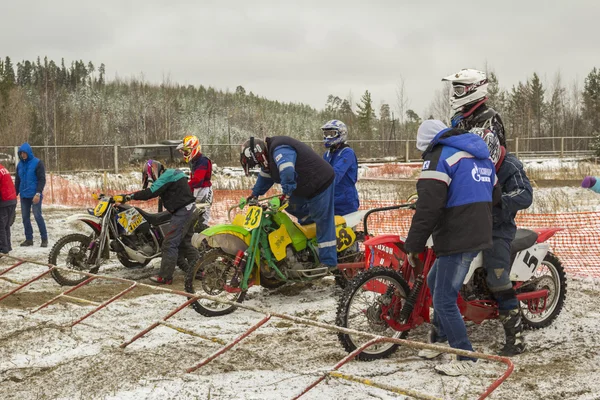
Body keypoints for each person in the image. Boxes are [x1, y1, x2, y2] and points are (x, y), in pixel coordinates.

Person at [404, 120, 496, 376]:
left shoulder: (439, 156)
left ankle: (466, 356)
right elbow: (495, 194)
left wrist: (414, 245)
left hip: (458, 235)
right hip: (476, 229)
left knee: (444, 297)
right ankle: (440, 339)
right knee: (436, 283)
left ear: (425, 143)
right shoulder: (479, 155)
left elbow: (428, 207)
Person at [240, 136, 337, 270]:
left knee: (322, 220)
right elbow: (265, 177)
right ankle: (310, 236)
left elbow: (287, 171)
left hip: (320, 183)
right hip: (303, 185)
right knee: (290, 206)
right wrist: (254, 194)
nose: (260, 166)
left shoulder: (280, 149)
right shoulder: (268, 159)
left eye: (258, 163)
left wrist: (286, 193)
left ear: (259, 155)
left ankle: (328, 262)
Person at [475, 128, 532, 356]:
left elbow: (525, 195)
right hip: (473, 224)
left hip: (500, 227)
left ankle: (516, 338)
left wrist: (497, 201)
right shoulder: (470, 162)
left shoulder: (511, 165)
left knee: (498, 276)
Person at [119, 160, 200, 285]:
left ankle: (165, 277)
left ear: (153, 170)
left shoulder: (167, 175)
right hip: (188, 209)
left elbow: (151, 192)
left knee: (169, 244)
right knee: (185, 243)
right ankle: (199, 270)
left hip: (183, 211)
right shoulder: (171, 174)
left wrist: (128, 197)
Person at [442, 69, 508, 148]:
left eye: (459, 90)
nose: (455, 95)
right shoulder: (461, 117)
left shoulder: (489, 117)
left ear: (473, 88)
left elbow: (492, 151)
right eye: (455, 90)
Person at [321, 120, 359, 215]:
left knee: (347, 229)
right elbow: (319, 172)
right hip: (330, 201)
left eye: (331, 134)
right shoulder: (327, 154)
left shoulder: (347, 153)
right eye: (326, 134)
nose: (328, 137)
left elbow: (336, 174)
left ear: (341, 134)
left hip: (345, 203)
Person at [177, 135, 213, 231]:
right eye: (184, 151)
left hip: (204, 191)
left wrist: (185, 187)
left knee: (201, 220)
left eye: (187, 151)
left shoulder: (203, 160)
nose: (185, 153)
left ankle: (204, 242)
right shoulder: (194, 160)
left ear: (194, 148)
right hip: (197, 190)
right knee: (191, 218)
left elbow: (198, 180)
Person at [15, 143, 48, 247]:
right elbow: (17, 180)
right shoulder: (19, 165)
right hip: (24, 196)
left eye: (24, 153)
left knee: (37, 215)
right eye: (21, 153)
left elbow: (42, 180)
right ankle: (29, 239)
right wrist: (14, 194)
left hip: (35, 195)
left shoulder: (37, 163)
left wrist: (38, 193)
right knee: (25, 218)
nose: (23, 155)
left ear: (29, 152)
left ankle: (44, 238)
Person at [0, 162, 17, 255]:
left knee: (1, 226)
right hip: (12, 200)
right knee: (6, 226)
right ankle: (7, 246)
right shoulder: (3, 168)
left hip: (4, 201)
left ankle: (3, 249)